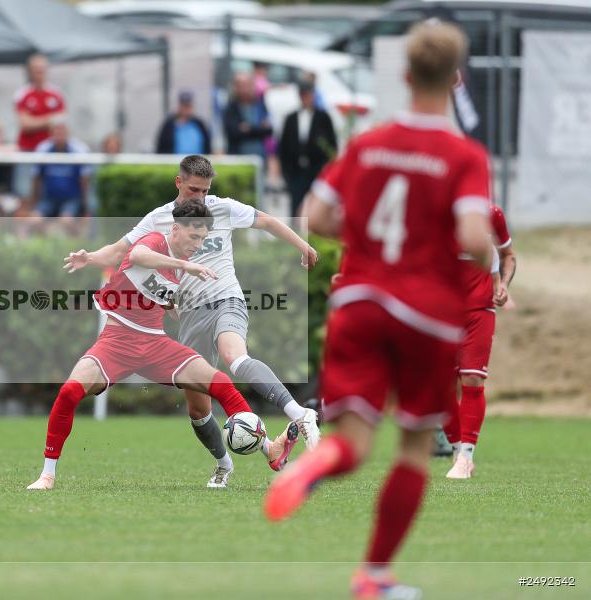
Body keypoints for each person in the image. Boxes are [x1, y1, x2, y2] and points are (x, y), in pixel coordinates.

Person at [264, 21, 494, 598]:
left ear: (405, 75)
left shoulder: (368, 143)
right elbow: (472, 235)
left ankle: (315, 462)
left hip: (359, 301)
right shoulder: (463, 154)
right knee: (414, 448)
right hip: (426, 312)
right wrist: (488, 260)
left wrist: (365, 235)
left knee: (353, 441)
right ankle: (374, 577)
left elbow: (315, 216)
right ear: (456, 79)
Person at [63, 155, 321, 488]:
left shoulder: (222, 208)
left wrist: (304, 246)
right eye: (194, 189)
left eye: (205, 190)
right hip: (190, 314)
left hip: (227, 299)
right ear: (179, 183)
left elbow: (267, 221)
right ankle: (241, 459)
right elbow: (118, 252)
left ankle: (300, 415)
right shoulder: (159, 218)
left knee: (235, 357)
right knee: (198, 409)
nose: (200, 197)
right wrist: (89, 257)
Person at [27, 201, 262, 491]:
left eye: (202, 239)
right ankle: (47, 475)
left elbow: (167, 302)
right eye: (193, 237)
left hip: (155, 344)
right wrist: (184, 265)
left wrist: (186, 308)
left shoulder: (180, 267)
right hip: (116, 343)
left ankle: (264, 446)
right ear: (175, 229)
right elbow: (137, 254)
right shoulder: (155, 242)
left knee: (221, 383)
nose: (197, 245)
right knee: (69, 392)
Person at [444, 204, 516, 479]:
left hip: (478, 310)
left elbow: (506, 256)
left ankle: (466, 457)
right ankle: (456, 450)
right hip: (441, 309)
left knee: (472, 379)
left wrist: (503, 286)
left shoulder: (493, 214)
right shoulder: (432, 207)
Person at [278, 80, 337, 217]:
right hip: (296, 171)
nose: (306, 98)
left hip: (316, 170)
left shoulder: (323, 117)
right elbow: (283, 147)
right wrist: (287, 172)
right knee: (296, 207)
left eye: (308, 95)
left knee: (315, 207)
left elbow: (331, 146)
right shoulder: (291, 118)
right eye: (303, 95)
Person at [13, 54, 65, 197]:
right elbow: (25, 124)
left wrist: (35, 121)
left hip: (50, 152)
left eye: (42, 69)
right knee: (24, 190)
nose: (39, 72)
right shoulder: (23, 94)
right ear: (30, 71)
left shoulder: (56, 94)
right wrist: (49, 119)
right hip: (28, 149)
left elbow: (60, 124)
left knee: (47, 193)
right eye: (36, 69)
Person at [29, 120, 90, 224]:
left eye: (62, 132)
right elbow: (36, 178)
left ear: (67, 133)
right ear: (51, 133)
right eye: (56, 132)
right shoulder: (43, 149)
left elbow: (85, 180)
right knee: (35, 220)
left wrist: (85, 205)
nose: (59, 135)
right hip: (48, 198)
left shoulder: (79, 150)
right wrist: (33, 204)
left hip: (71, 199)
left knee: (66, 222)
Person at [223, 72, 272, 160]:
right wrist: (258, 128)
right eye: (240, 85)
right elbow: (233, 132)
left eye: (246, 85)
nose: (243, 89)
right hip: (238, 159)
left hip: (259, 158)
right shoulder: (231, 108)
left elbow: (268, 130)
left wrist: (248, 128)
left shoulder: (260, 105)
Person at [155, 91, 211, 155]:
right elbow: (161, 147)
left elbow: (207, 146)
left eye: (188, 106)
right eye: (184, 105)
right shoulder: (168, 125)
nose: (186, 109)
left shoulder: (199, 124)